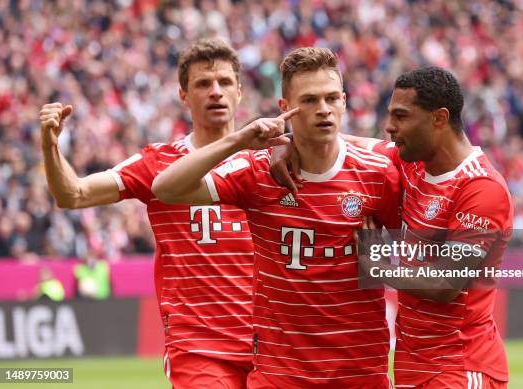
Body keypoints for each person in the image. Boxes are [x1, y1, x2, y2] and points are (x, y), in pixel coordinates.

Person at [152, 47, 402, 388]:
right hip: (280, 376)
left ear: (344, 101)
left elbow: (429, 267)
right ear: (285, 109)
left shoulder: (379, 171)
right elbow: (166, 188)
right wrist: (239, 139)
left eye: (331, 99)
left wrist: (381, 260)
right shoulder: (257, 173)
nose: (323, 110)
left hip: (360, 374)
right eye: (310, 101)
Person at [272, 67, 513, 388]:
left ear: (439, 119)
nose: (390, 127)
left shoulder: (481, 188)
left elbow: (445, 284)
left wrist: (377, 266)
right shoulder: (410, 162)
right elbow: (333, 140)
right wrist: (286, 142)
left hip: (461, 364)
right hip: (414, 365)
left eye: (401, 116)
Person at [39, 38, 255, 388]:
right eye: (203, 84)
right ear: (184, 96)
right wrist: (50, 146)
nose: (216, 92)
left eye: (225, 82)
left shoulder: (269, 162)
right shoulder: (157, 162)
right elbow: (73, 194)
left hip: (272, 346)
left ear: (240, 92)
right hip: (199, 348)